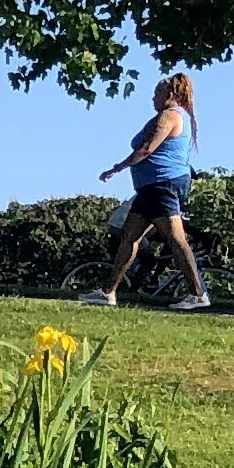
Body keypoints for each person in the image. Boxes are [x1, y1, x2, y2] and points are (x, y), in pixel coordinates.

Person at [89, 74, 215, 309]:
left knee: (176, 238)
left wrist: (116, 168)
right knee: (130, 236)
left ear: (169, 95)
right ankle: (108, 292)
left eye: (157, 94)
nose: (153, 98)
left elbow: (147, 149)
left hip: (162, 185)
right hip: (150, 188)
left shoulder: (170, 116)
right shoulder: (172, 116)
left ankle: (198, 294)